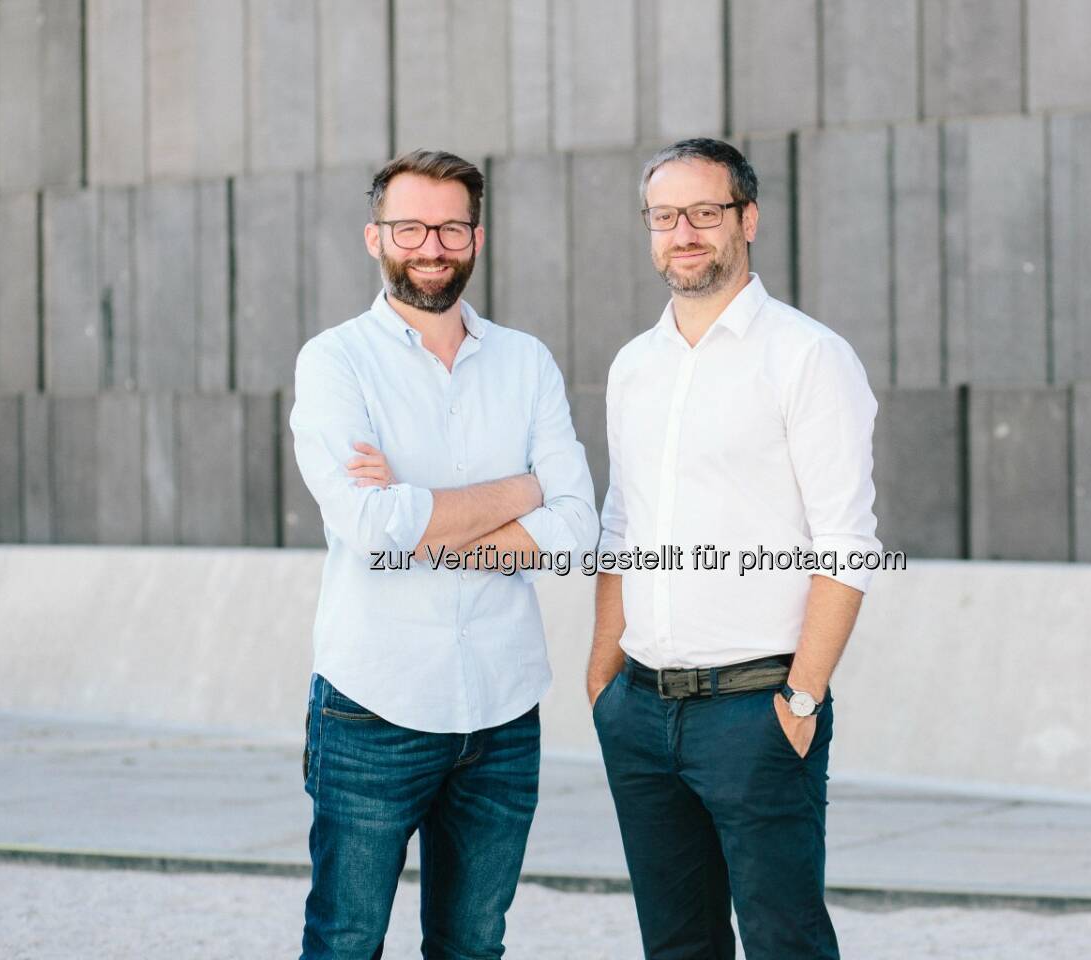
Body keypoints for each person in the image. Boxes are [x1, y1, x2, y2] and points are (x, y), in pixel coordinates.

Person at [290, 149, 598, 959]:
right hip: (371, 709)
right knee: (345, 942)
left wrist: (427, 518)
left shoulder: (525, 361)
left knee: (473, 946)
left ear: (477, 236)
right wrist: (525, 487)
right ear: (374, 237)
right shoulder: (334, 362)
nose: (432, 244)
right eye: (411, 227)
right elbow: (371, 523)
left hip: (503, 709)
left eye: (451, 226)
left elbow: (576, 534)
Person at [585, 138, 881, 960]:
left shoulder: (807, 356)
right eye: (665, 216)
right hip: (640, 712)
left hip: (757, 711)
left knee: (785, 943)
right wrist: (603, 678)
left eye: (705, 213)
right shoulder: (633, 366)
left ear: (746, 219)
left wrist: (803, 701)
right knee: (676, 946)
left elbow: (847, 546)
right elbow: (620, 528)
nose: (684, 233)